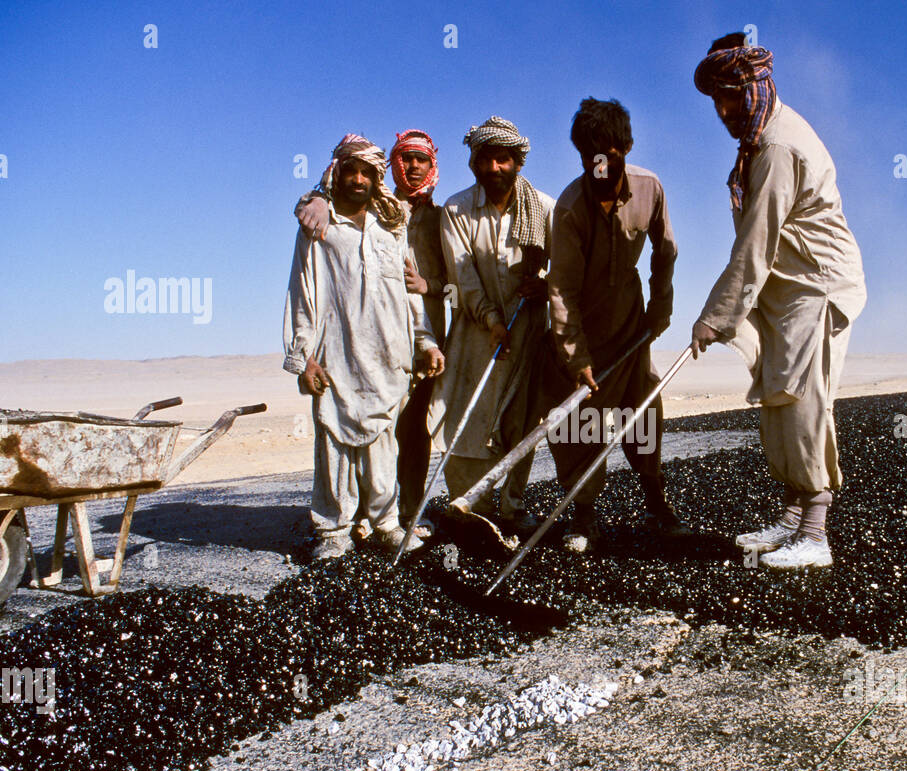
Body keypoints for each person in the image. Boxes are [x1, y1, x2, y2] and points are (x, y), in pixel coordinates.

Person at [691, 33, 867, 569]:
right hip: (785, 291)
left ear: (756, 89)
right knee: (777, 396)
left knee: (804, 403)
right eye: (716, 100)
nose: (722, 110)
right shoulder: (758, 143)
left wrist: (714, 318)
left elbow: (756, 243)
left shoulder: (777, 147)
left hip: (817, 289)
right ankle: (791, 519)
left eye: (730, 97)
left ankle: (815, 533)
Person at [282, 134, 444, 559]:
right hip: (336, 351)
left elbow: (409, 293)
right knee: (334, 439)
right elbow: (303, 293)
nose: (358, 179)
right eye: (349, 170)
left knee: (383, 441)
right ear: (335, 173)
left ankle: (385, 522)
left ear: (377, 178)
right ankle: (333, 530)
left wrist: (424, 341)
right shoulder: (319, 228)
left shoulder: (392, 228)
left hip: (389, 353)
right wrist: (305, 356)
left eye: (367, 172)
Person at [546, 97, 688, 550]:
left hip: (630, 328)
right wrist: (576, 358)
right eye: (590, 157)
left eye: (609, 154)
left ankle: (657, 505)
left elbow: (665, 253)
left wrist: (660, 309)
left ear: (627, 146)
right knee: (579, 427)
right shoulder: (569, 209)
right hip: (582, 335)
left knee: (641, 413)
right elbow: (561, 289)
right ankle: (584, 516)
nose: (601, 166)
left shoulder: (651, 189)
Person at [431, 116, 554, 538]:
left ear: (517, 161)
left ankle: (513, 506)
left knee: (522, 421)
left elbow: (568, 269)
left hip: (530, 332)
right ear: (474, 163)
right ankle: (470, 505)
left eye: (503, 159)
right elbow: (461, 279)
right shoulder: (457, 209)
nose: (494, 168)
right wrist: (491, 319)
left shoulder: (545, 207)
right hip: (476, 333)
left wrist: (546, 286)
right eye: (485, 160)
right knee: (469, 417)